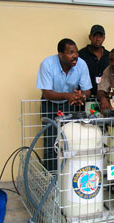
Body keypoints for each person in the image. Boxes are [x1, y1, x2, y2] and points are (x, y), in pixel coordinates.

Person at [36, 38, 92, 171]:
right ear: (60, 55)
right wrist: (68, 95)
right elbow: (47, 93)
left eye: (76, 52)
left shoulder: (81, 64)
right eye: (71, 52)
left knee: (69, 140)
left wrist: (81, 97)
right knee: (51, 143)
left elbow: (87, 91)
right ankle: (51, 179)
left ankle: (67, 176)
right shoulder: (47, 64)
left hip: (70, 104)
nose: (75, 56)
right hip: (50, 104)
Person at [79, 24, 110, 96]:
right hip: (86, 97)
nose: (98, 39)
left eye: (100, 36)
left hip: (105, 97)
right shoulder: (81, 55)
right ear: (90, 37)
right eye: (95, 36)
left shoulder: (109, 56)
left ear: (104, 38)